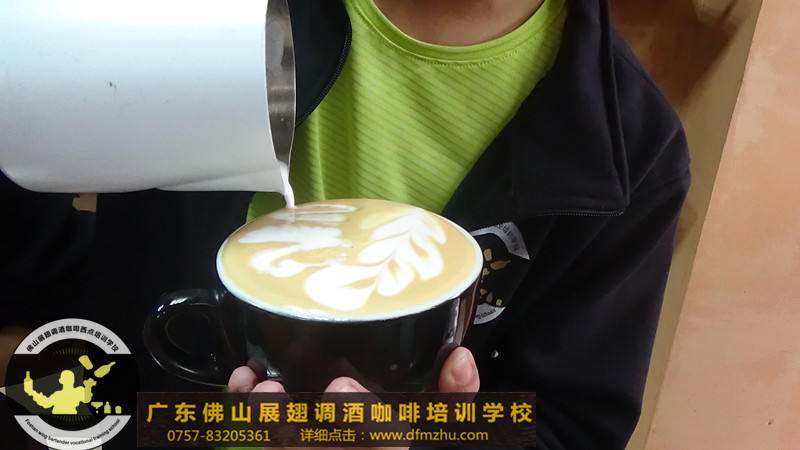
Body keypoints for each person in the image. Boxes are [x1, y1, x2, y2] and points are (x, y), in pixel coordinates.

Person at [1, 0, 690, 449]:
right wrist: (96, 294)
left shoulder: (633, 152)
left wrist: (433, 439)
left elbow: (570, 425)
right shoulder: (184, 15)